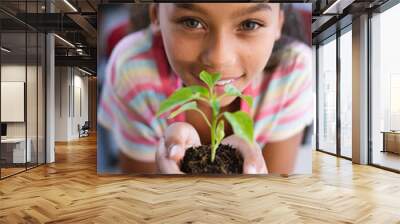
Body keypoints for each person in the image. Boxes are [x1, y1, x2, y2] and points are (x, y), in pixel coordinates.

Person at [98, 3, 313, 174]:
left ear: (278, 23)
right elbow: (139, 200)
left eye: (249, 24)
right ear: (156, 15)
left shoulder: (292, 69)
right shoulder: (134, 69)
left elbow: (276, 193)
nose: (219, 60)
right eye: (191, 22)